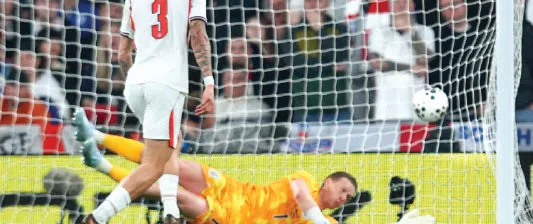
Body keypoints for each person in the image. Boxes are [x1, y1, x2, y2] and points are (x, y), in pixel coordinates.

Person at [73, 111, 436, 224]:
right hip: (233, 188)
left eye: (349, 198)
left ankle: (101, 164)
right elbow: (300, 196)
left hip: (230, 219)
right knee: (172, 163)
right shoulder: (305, 182)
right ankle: (98, 137)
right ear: (328, 182)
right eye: (343, 191)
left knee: (174, 194)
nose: (344, 199)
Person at [82, 0, 216, 224]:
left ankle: (170, 212)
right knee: (153, 165)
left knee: (171, 144)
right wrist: (209, 82)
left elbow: (121, 54)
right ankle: (98, 217)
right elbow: (198, 35)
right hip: (166, 84)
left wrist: (135, 80)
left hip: (136, 83)